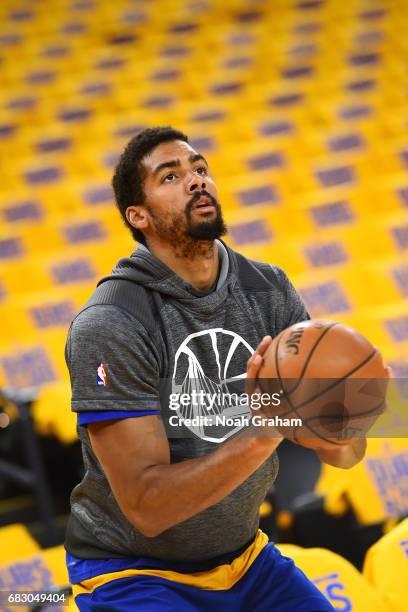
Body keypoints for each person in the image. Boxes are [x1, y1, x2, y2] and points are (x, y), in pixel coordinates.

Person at [65, 126, 366, 610]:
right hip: (133, 573)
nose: (196, 181)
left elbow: (346, 456)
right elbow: (147, 508)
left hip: (245, 559)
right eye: (171, 176)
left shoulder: (269, 288)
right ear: (136, 216)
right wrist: (269, 427)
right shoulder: (110, 322)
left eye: (200, 169)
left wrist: (345, 412)